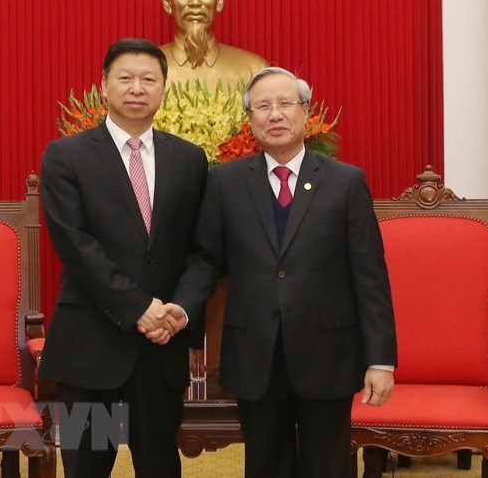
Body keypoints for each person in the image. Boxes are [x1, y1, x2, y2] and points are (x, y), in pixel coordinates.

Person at [157, 67, 398, 477]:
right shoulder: (226, 183)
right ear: (250, 120)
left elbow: (369, 275)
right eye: (263, 106)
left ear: (305, 113)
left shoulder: (345, 182)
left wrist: (381, 360)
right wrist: (182, 307)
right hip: (255, 354)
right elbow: (207, 259)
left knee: (329, 465)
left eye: (285, 104)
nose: (275, 115)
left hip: (329, 352)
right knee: (266, 464)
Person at [39, 38, 208, 478]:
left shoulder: (189, 159)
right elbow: (75, 245)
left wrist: (179, 311)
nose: (137, 87)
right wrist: (139, 308)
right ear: (104, 85)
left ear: (164, 87)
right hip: (89, 345)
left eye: (149, 79)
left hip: (161, 346)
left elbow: (201, 249)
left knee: (159, 465)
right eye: (125, 78)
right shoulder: (66, 156)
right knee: (85, 465)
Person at [160, 0, 268, 90]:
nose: (195, 2)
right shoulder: (144, 71)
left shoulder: (253, 71)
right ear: (167, 2)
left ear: (219, 1)